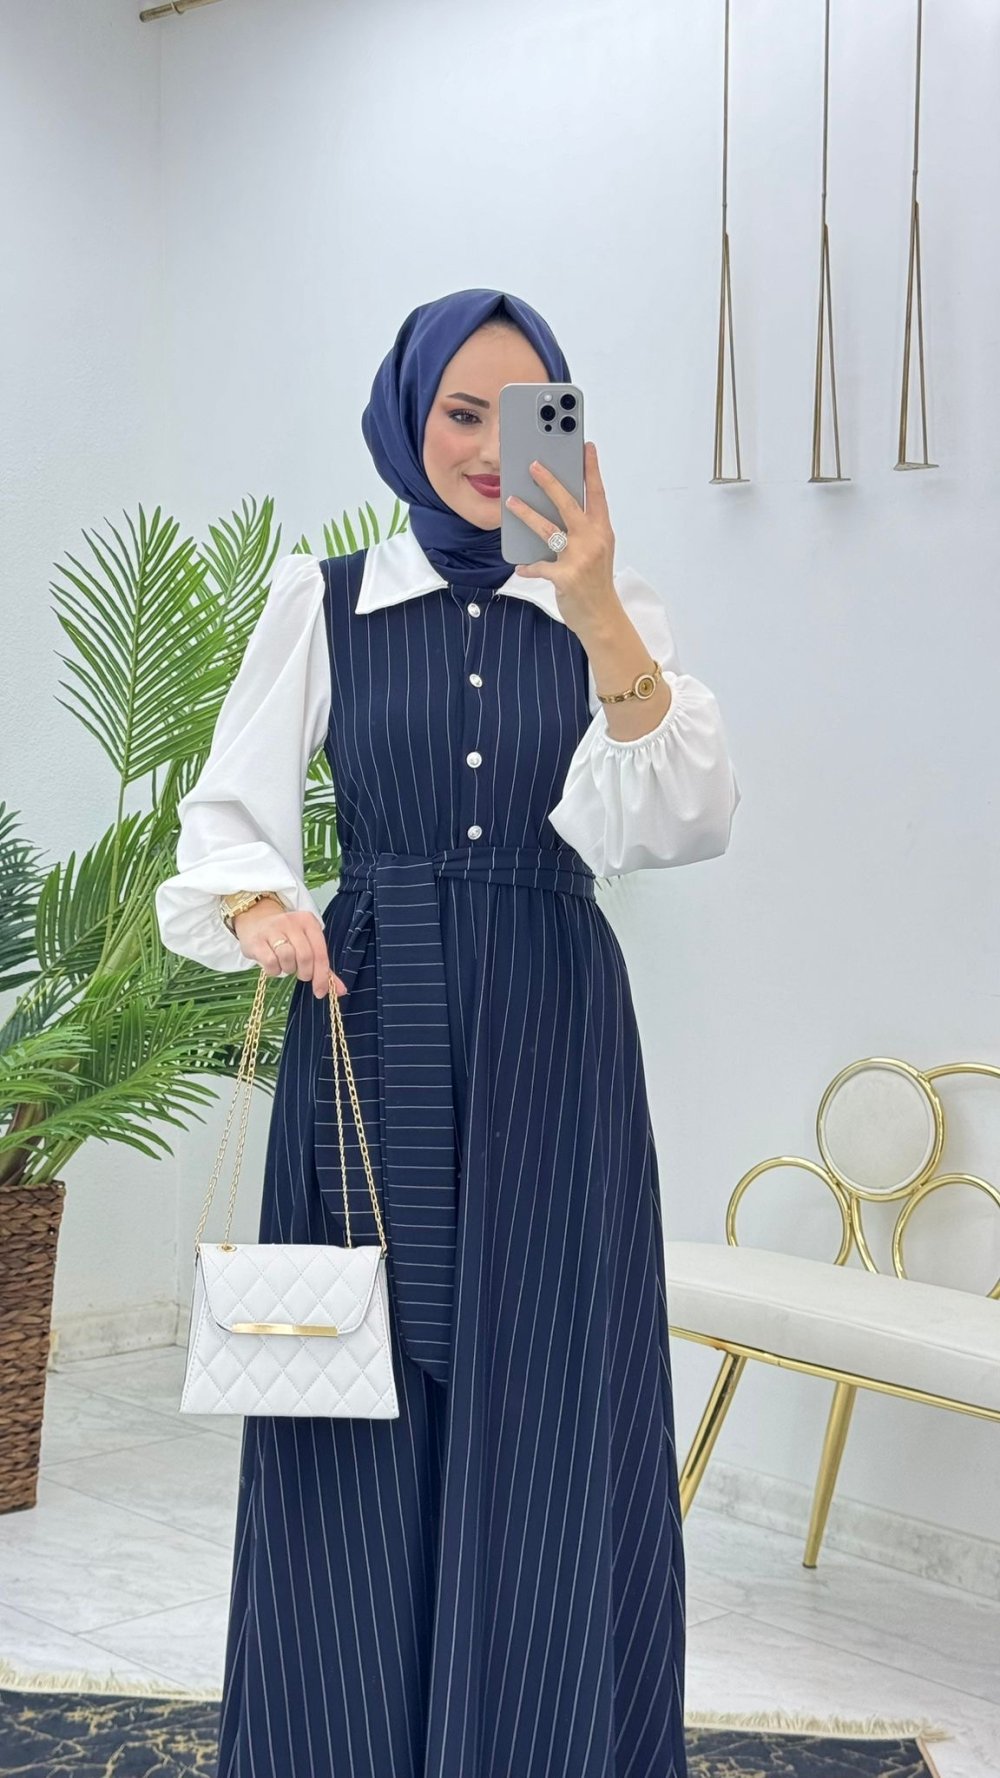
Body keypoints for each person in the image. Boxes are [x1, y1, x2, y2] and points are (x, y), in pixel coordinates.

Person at [155, 286, 740, 1778]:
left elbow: (679, 818)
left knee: (551, 1394)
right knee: (353, 1389)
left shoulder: (608, 605)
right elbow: (225, 817)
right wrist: (259, 905)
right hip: (370, 1023)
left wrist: (594, 603)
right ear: (407, 420)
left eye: (520, 413)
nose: (487, 448)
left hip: (555, 1035)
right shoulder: (327, 597)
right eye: (458, 413)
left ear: (568, 427)